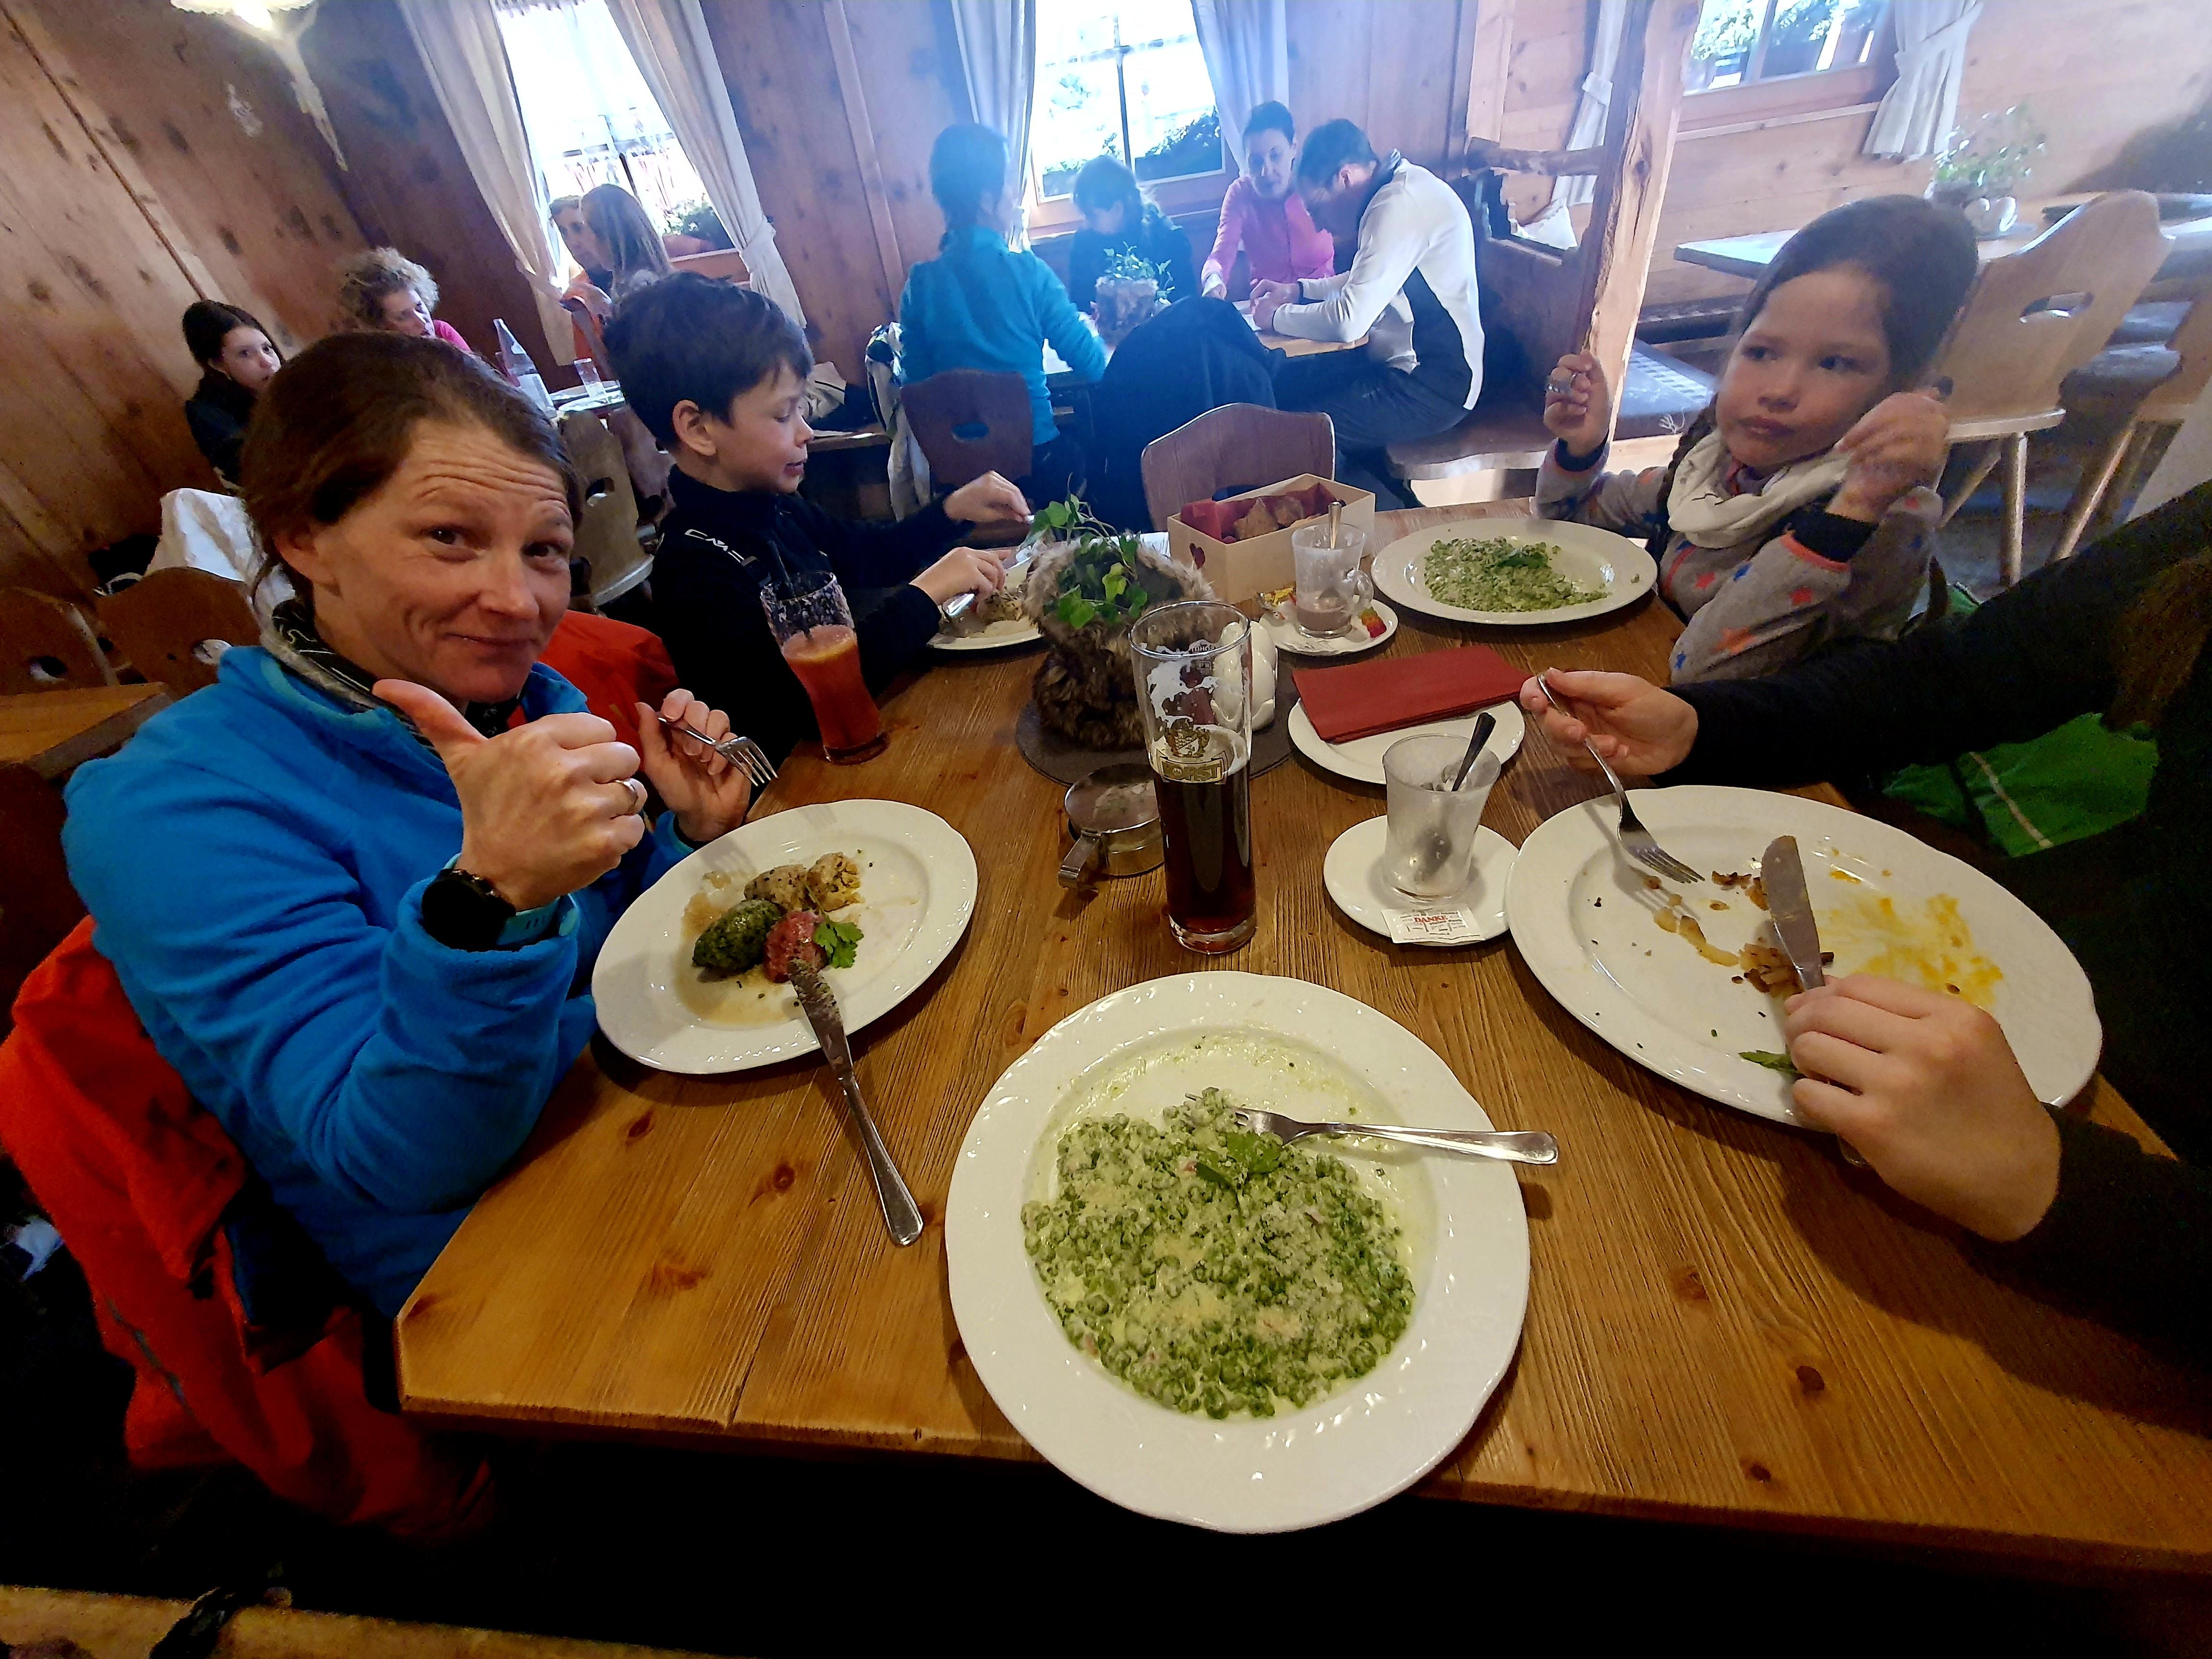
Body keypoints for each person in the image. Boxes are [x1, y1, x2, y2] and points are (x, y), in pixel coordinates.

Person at [61, 332, 752, 1318]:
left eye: (545, 551)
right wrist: (491, 901)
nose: (517, 602)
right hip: (503, 1278)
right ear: (302, 535)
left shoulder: (524, 703)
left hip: (662, 1116)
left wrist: (688, 839)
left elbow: (626, 966)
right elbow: (399, 1156)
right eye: (450, 538)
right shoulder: (166, 810)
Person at [1516, 480, 2212, 1364]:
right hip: (2068, 954)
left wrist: (2059, 1189)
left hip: (2128, 1200)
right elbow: (1957, 677)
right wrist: (1701, 727)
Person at [1539, 196, 1977, 683]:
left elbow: (1704, 674)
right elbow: (1568, 516)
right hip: (1647, 688)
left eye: (1835, 364)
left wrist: (1853, 513)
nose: (1779, 391)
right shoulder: (1719, 473)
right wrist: (1583, 445)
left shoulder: (1883, 521)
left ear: (1901, 388)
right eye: (1763, 352)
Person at [607, 274, 1030, 764]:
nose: (806, 431)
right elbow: (802, 707)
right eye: (784, 414)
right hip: (800, 783)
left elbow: (870, 555)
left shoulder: (774, 506)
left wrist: (952, 510)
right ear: (699, 428)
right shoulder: (694, 571)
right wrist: (926, 593)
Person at [1255, 120, 1484, 508]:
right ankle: (1380, 504)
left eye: (1316, 208)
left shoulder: (1398, 205)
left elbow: (1349, 321)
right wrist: (1298, 291)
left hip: (1436, 384)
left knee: (1301, 436)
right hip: (1407, 369)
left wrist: (1275, 318)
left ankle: (1398, 525)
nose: (1317, 223)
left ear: (1344, 178)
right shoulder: (1397, 189)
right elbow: (1363, 280)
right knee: (1288, 391)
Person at [899, 123, 1108, 504]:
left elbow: (916, 388)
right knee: (1087, 448)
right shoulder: (1029, 274)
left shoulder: (920, 286)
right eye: (1010, 186)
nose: (1014, 197)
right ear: (987, 200)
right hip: (1038, 473)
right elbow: (1093, 365)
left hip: (961, 486)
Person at [1200, 102, 1335, 300]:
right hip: (1268, 308)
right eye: (1256, 162)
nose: (1266, 172)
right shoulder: (1240, 194)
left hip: (1322, 300)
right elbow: (1221, 254)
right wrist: (1214, 280)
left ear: (1293, 149)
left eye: (1276, 156)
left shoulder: (1318, 182)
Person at [1065, 155, 1198, 314]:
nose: (1087, 223)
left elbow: (1187, 307)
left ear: (1118, 209)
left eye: (1092, 215)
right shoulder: (1084, 242)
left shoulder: (1168, 238)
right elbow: (1080, 308)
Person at [180, 300, 281, 486]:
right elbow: (257, 471)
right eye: (245, 354)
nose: (267, 362)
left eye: (267, 349)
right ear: (217, 365)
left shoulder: (299, 383)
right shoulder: (206, 412)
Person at [337, 247, 477, 356]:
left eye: (420, 308)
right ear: (380, 327)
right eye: (403, 316)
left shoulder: (442, 332)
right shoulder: (381, 368)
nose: (422, 322)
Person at [582, 183, 674, 304]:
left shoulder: (640, 285)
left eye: (586, 229)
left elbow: (641, 322)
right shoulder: (641, 279)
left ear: (608, 236)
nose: (585, 240)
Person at [549, 193, 614, 308]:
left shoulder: (638, 277)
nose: (573, 243)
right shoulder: (575, 297)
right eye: (564, 232)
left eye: (579, 228)